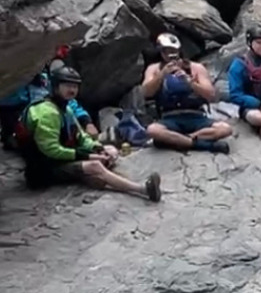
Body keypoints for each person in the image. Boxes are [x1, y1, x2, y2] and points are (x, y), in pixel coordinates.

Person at [18, 66, 161, 202]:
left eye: (75, 86)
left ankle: (95, 178)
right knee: (95, 166)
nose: (72, 89)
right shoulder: (47, 112)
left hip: (59, 161)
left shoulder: (66, 109)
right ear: (55, 87)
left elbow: (81, 137)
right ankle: (143, 189)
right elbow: (51, 150)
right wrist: (88, 155)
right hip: (42, 168)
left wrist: (98, 148)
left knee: (107, 154)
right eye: (67, 85)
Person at [143, 33, 232, 153]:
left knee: (225, 129)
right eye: (165, 51)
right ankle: (200, 144)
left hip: (196, 116)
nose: (169, 54)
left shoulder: (195, 68)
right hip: (169, 117)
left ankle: (179, 141)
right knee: (153, 130)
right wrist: (162, 75)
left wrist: (191, 83)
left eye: (173, 51)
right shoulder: (154, 69)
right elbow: (146, 92)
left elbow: (211, 95)